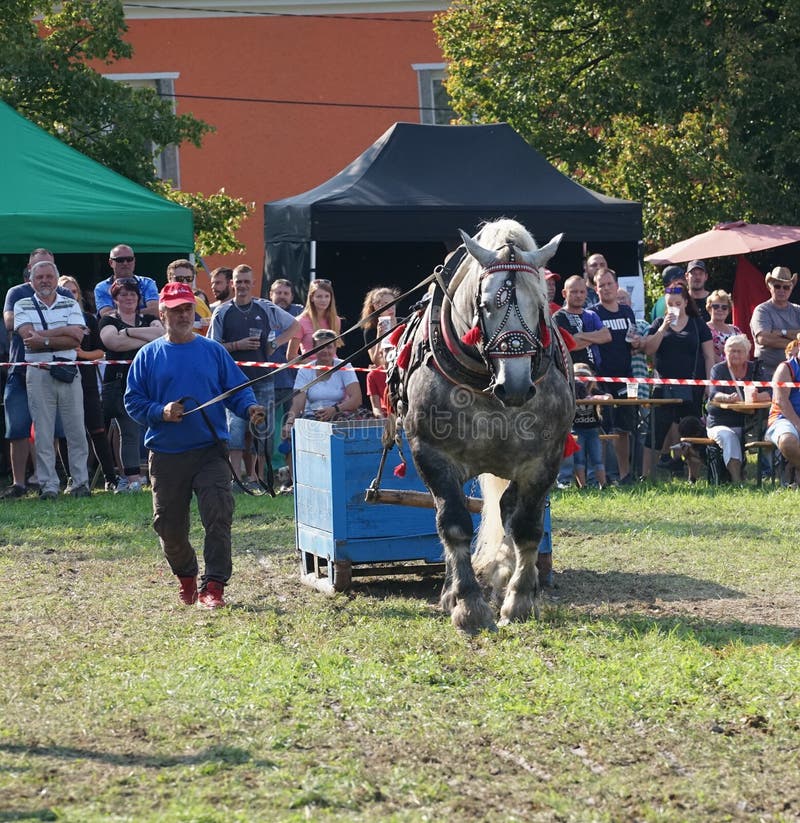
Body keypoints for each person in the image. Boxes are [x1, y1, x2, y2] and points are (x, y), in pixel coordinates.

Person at [124, 282, 266, 609]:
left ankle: (214, 585)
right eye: (175, 310)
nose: (183, 314)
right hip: (166, 454)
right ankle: (186, 576)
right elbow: (133, 401)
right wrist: (160, 411)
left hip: (210, 451)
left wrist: (250, 408)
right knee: (168, 527)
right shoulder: (148, 356)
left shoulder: (213, 351)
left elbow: (238, 390)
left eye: (187, 308)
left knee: (218, 515)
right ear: (163, 314)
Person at [208, 265, 300, 489]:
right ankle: (236, 480)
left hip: (264, 379)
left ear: (253, 282)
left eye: (246, 281)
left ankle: (258, 478)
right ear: (233, 283)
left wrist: (275, 343)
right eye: (239, 281)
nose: (242, 286)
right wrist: (236, 345)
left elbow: (295, 325)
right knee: (236, 432)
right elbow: (212, 347)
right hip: (234, 382)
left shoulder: (265, 307)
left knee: (264, 433)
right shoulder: (222, 312)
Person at [13, 261, 90, 499]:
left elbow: (77, 338)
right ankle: (48, 486)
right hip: (38, 372)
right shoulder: (22, 303)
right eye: (40, 277)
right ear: (31, 281)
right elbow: (27, 338)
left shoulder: (69, 302)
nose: (45, 281)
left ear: (56, 279)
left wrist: (43, 339)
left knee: (76, 429)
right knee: (43, 432)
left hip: (67, 371)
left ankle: (80, 483)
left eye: (49, 276)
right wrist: (63, 332)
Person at [2, 248, 72, 498]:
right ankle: (19, 483)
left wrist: (39, 335)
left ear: (55, 271)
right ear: (29, 271)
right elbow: (11, 323)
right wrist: (56, 332)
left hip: (55, 371)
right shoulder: (16, 293)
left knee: (49, 429)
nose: (43, 274)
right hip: (21, 371)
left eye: (48, 268)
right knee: (18, 428)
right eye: (38, 268)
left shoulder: (64, 294)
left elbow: (75, 332)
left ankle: (45, 480)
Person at [641, 281, 715, 476]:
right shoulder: (659, 323)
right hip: (663, 387)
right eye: (669, 303)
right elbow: (649, 350)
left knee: (692, 431)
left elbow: (709, 355)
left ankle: (693, 475)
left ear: (685, 302)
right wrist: (663, 328)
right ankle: (646, 476)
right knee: (655, 432)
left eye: (677, 303)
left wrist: (709, 383)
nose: (673, 307)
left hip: (691, 386)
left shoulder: (697, 323)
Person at [99, 277, 164, 492]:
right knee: (120, 431)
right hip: (117, 384)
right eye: (123, 294)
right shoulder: (108, 321)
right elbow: (113, 343)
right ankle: (127, 478)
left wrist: (128, 332)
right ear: (115, 298)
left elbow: (162, 335)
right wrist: (145, 339)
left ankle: (139, 477)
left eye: (132, 294)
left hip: (147, 383)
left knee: (138, 429)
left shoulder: (149, 318)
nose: (128, 298)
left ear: (139, 298)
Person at [57, 275, 119, 491]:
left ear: (79, 295)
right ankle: (72, 479)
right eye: (65, 291)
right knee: (66, 433)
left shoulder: (90, 319)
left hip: (87, 382)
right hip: (60, 381)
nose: (70, 295)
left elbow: (102, 352)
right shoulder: (53, 320)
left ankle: (110, 478)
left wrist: (82, 354)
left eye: (73, 291)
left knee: (97, 430)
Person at [282, 328, 364, 442]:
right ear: (314, 349)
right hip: (313, 416)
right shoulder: (305, 370)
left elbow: (356, 399)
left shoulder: (345, 366)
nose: (325, 351)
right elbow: (297, 404)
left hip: (340, 414)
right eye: (321, 347)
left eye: (329, 347)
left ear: (335, 348)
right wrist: (289, 422)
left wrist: (334, 410)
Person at [594, 268, 637, 484]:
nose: (606, 288)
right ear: (596, 289)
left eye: (609, 284)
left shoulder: (627, 312)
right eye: (601, 285)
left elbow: (633, 342)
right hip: (601, 379)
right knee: (602, 428)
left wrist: (637, 343)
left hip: (627, 378)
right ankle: (602, 477)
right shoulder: (593, 313)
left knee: (625, 428)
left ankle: (625, 474)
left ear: (616, 284)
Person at [706, 335, 768, 484]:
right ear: (725, 352)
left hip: (750, 422)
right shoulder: (718, 369)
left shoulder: (755, 369)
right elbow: (714, 394)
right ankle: (737, 480)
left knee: (769, 435)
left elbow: (769, 393)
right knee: (729, 436)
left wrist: (754, 397)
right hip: (721, 422)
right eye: (731, 351)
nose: (735, 355)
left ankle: (779, 478)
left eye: (739, 351)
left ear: (747, 353)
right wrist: (727, 398)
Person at [268, 278, 304, 472]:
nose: (282, 297)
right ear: (270, 294)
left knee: (292, 427)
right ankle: (272, 469)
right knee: (269, 429)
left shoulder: (300, 313)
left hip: (295, 381)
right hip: (269, 381)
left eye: (286, 293)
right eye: (278, 293)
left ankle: (294, 469)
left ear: (292, 296)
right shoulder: (264, 312)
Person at [560, 363, 611, 489]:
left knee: (597, 459)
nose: (581, 380)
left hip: (593, 430)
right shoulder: (570, 392)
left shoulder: (593, 390)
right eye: (578, 376)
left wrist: (597, 398)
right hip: (577, 430)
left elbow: (609, 397)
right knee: (579, 460)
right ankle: (582, 486)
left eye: (584, 376)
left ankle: (603, 485)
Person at [750, 266, 800, 381]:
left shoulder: (798, 310)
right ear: (769, 287)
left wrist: (781, 332)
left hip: (796, 373)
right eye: (777, 286)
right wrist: (795, 343)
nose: (782, 290)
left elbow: (769, 338)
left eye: (786, 287)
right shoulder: (762, 310)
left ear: (791, 289)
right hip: (767, 373)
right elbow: (764, 339)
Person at [553, 275, 611, 370]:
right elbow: (571, 345)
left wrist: (580, 335)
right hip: (572, 373)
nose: (579, 295)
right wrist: (595, 337)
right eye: (574, 292)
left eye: (582, 292)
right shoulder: (558, 317)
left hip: (594, 372)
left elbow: (606, 336)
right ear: (564, 293)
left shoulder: (591, 314)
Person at [765, 335, 800, 485]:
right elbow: (781, 401)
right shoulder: (786, 368)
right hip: (783, 419)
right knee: (788, 442)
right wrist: (798, 425)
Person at [94, 244, 160, 318]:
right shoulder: (102, 287)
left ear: (134, 261)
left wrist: (123, 313)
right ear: (111, 263)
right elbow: (106, 315)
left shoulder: (147, 283)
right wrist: (140, 312)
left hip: (146, 327)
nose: (125, 263)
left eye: (129, 259)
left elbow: (155, 311)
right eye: (120, 260)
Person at [286, 279, 343, 360]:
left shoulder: (336, 320)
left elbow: (333, 352)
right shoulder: (300, 322)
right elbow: (291, 356)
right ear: (312, 298)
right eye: (319, 296)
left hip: (332, 367)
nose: (323, 300)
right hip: (311, 369)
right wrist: (314, 365)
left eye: (327, 296)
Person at [166, 259, 211, 332]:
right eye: (179, 279)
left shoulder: (198, 302)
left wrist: (209, 324)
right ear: (170, 279)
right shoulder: (160, 302)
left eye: (189, 278)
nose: (184, 282)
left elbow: (211, 331)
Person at [360, 286, 400, 364]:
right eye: (386, 304)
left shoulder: (404, 322)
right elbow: (376, 362)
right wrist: (379, 337)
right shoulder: (370, 331)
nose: (391, 308)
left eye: (393, 304)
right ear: (376, 307)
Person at [706, 289, 741, 363]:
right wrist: (727, 367)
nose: (720, 310)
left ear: (728, 310)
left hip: (737, 370)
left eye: (724, 307)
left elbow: (744, 352)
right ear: (709, 308)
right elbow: (708, 354)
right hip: (716, 370)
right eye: (715, 307)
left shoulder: (736, 330)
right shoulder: (704, 329)